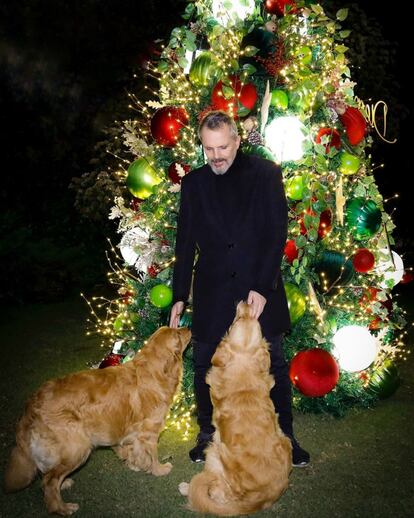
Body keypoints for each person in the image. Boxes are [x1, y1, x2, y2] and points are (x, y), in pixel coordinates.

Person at [169, 110, 310, 467]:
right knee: (203, 366)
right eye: (208, 148)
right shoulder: (194, 184)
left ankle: (287, 438)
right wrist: (179, 297)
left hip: (259, 290)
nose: (216, 156)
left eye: (222, 147)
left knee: (275, 366)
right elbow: (184, 244)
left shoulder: (266, 174)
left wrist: (262, 286)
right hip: (212, 291)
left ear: (236, 141)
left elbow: (276, 234)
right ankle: (206, 436)